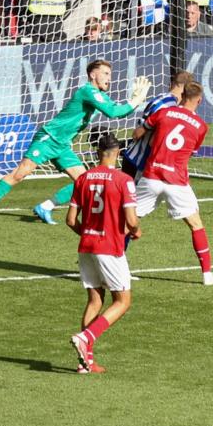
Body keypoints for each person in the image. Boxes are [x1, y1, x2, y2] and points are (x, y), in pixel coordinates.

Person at [0, 60, 151, 227]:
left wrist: (136, 101)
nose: (109, 79)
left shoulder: (98, 96)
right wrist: (135, 100)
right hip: (48, 138)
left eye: (110, 75)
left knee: (84, 183)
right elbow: (113, 113)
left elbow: (118, 111)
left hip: (63, 146)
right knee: (20, 174)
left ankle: (45, 207)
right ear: (93, 75)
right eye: (105, 74)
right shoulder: (88, 91)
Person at [66, 133, 141, 374]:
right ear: (118, 152)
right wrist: (136, 230)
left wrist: (88, 234)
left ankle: (84, 363)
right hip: (109, 247)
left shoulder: (83, 179)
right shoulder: (124, 180)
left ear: (98, 152)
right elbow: (131, 220)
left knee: (95, 300)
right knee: (123, 301)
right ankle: (86, 337)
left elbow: (69, 220)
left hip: (86, 246)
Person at [135, 82, 213, 286]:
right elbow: (189, 151)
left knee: (126, 221)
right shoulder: (201, 126)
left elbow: (140, 132)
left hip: (152, 176)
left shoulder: (164, 113)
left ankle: (110, 265)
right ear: (199, 101)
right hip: (177, 182)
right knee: (196, 225)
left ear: (182, 95)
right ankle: (207, 275)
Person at [122, 70, 195, 181]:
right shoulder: (171, 107)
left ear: (171, 84)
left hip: (131, 156)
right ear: (186, 89)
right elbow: (150, 138)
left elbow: (138, 132)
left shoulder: (161, 97)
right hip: (141, 163)